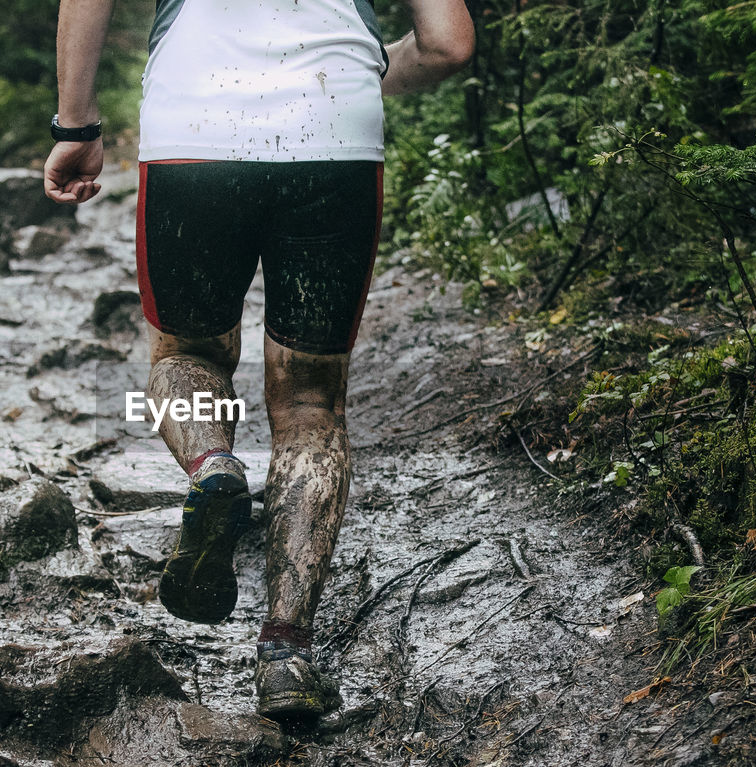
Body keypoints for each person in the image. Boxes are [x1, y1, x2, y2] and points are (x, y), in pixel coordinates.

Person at [44, 0, 474, 724]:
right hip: (334, 139)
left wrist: (76, 125)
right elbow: (448, 45)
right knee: (311, 404)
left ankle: (213, 467)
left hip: (194, 131)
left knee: (188, 351)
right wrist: (357, 72)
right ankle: (286, 652)